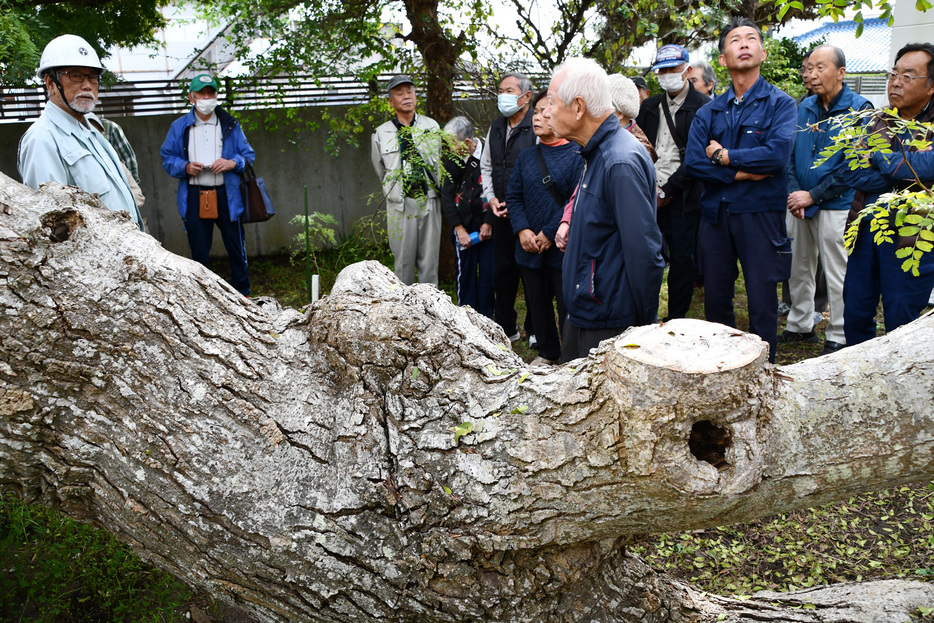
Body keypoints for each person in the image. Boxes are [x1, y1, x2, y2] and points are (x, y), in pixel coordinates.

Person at [684, 17, 797, 363]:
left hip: (760, 215)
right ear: (723, 58)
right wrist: (739, 174)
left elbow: (776, 157)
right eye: (735, 40)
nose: (744, 44)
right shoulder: (709, 111)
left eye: (751, 39)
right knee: (717, 299)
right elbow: (692, 163)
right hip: (715, 216)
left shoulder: (781, 104)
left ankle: (765, 370)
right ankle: (723, 369)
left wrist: (723, 155)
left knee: (762, 300)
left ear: (762, 52)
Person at [544, 57, 665, 362]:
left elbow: (646, 253)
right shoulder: (595, 152)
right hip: (586, 315)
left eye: (551, 103)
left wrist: (642, 330)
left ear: (579, 107)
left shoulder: (619, 160)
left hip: (609, 325)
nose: (546, 113)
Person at [781, 45, 872, 355]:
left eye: (821, 67)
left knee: (837, 271)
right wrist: (796, 194)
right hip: (800, 203)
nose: (813, 74)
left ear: (841, 72)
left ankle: (839, 333)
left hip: (838, 203)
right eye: (810, 67)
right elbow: (791, 155)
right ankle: (800, 324)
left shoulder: (859, 109)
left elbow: (854, 166)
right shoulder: (805, 106)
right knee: (798, 266)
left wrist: (814, 196)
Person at [842, 42, 934, 346]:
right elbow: (851, 171)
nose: (895, 82)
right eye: (893, 74)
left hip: (911, 239)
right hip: (866, 230)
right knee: (855, 311)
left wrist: (882, 159)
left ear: (931, 87)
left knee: (902, 320)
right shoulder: (876, 120)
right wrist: (899, 172)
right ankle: (857, 378)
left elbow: (920, 168)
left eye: (908, 76)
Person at [17, 34, 144, 230]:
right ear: (51, 83)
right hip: (97, 259)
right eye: (75, 75)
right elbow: (53, 229)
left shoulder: (90, 130)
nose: (87, 85)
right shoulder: (43, 139)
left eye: (92, 77)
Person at [506, 90, 585, 365]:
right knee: (536, 303)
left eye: (543, 112)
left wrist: (549, 233)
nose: (537, 117)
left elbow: (575, 199)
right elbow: (513, 196)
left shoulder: (576, 154)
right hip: (528, 245)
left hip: (561, 246)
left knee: (566, 305)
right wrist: (522, 230)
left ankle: (571, 357)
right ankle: (548, 353)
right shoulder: (527, 156)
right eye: (535, 113)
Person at [160, 73, 255, 296]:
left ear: (216, 95)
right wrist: (184, 167)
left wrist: (231, 162)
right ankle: (204, 296)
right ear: (191, 98)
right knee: (199, 249)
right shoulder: (179, 126)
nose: (206, 97)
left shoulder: (230, 124)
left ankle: (244, 293)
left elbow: (248, 155)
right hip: (195, 194)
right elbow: (167, 157)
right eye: (200, 93)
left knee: (236, 246)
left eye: (210, 92)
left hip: (227, 194)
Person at [637, 44, 711, 321]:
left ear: (687, 70)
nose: (668, 75)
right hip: (649, 193)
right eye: (662, 71)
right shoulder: (649, 106)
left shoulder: (703, 107)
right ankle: (645, 316)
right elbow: (640, 146)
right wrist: (652, 189)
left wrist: (668, 190)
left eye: (673, 69)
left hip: (684, 196)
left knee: (682, 259)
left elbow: (698, 158)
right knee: (649, 255)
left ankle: (676, 317)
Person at [480, 72, 538, 343]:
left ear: (526, 97)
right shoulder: (496, 126)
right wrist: (490, 198)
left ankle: (535, 327)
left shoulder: (536, 125)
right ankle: (506, 327)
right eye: (500, 90)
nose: (503, 95)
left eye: (509, 90)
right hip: (499, 210)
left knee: (531, 272)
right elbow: (487, 166)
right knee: (501, 272)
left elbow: (540, 169)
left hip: (527, 213)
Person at [371, 74, 442, 286]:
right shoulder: (381, 133)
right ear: (391, 101)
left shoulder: (432, 127)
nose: (406, 96)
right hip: (400, 205)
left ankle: (432, 311)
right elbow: (380, 169)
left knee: (430, 263)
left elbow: (438, 162)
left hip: (430, 200)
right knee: (402, 264)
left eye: (410, 91)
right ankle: (404, 312)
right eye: (400, 93)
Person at [441, 116, 494, 319]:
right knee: (466, 278)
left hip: (488, 226)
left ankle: (488, 321)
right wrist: (459, 229)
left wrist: (489, 222)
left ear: (468, 143)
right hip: (464, 227)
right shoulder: (452, 161)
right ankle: (466, 320)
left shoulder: (489, 155)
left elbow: (498, 190)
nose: (450, 149)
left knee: (489, 276)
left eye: (452, 144)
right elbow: (447, 195)